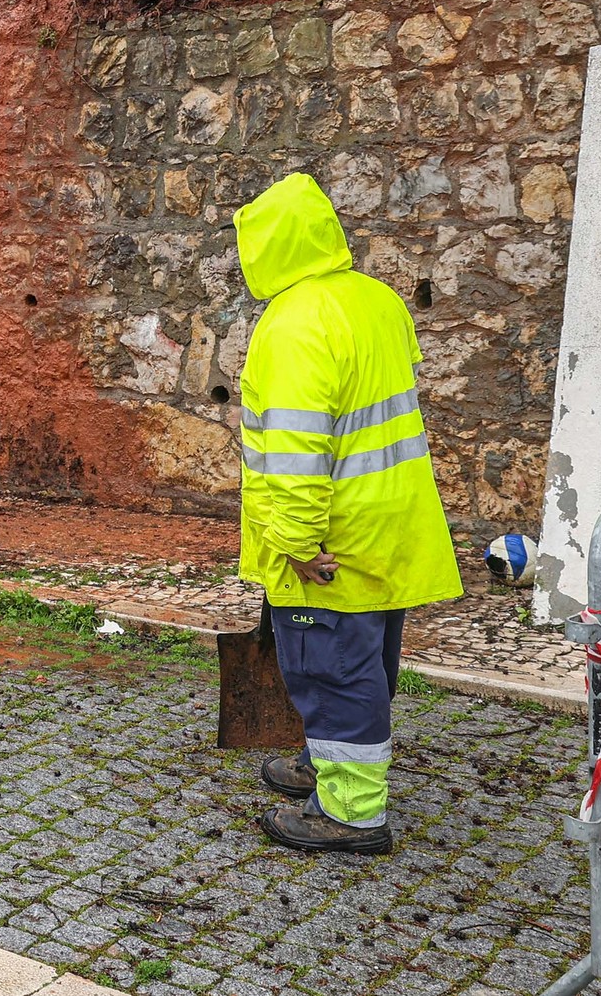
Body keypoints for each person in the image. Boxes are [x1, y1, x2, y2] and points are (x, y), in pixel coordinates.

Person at [232, 171, 461, 855]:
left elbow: (296, 447)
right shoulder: (377, 299)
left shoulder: (291, 325)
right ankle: (323, 762)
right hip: (389, 519)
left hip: (333, 531)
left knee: (329, 667)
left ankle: (351, 812)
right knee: (365, 658)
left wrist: (297, 542)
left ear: (267, 247)